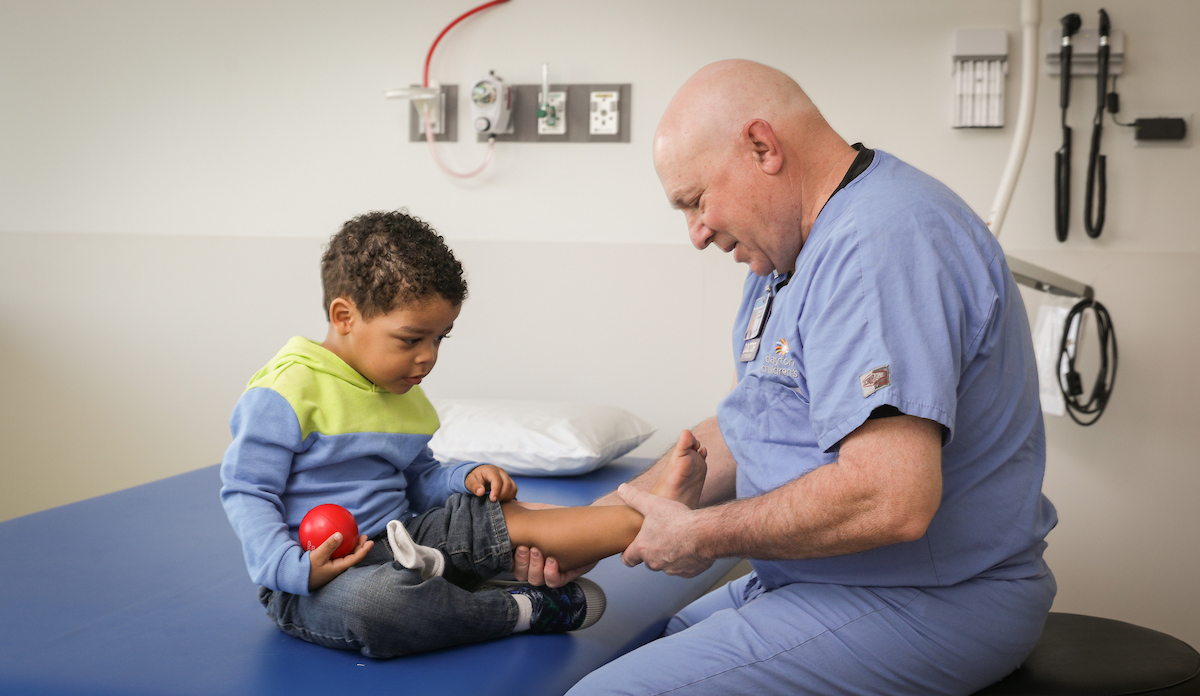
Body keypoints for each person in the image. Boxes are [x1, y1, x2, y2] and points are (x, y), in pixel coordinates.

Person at [518, 60, 1059, 696]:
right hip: (829, 583)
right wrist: (595, 526)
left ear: (762, 147)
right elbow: (754, 423)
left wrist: (703, 535)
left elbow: (893, 498)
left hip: (933, 602)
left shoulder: (881, 242)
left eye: (696, 201)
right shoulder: (790, 258)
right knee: (646, 647)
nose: (695, 234)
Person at [219, 210, 706, 658]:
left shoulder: (402, 389)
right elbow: (247, 490)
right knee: (379, 607)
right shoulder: (285, 390)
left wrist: (464, 478)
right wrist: (288, 568)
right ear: (345, 318)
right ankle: (518, 611)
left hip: (405, 538)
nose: (428, 356)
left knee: (503, 516)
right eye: (412, 339)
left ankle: (650, 519)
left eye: (439, 338)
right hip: (318, 576)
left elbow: (421, 479)